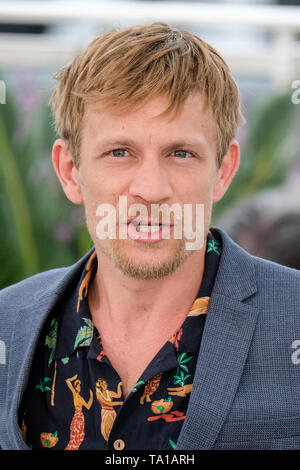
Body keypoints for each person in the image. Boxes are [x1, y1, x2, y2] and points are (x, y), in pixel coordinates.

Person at [1, 22, 300, 451]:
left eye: (181, 153)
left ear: (224, 171)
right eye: (119, 152)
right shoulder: (7, 326)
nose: (151, 188)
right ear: (70, 171)